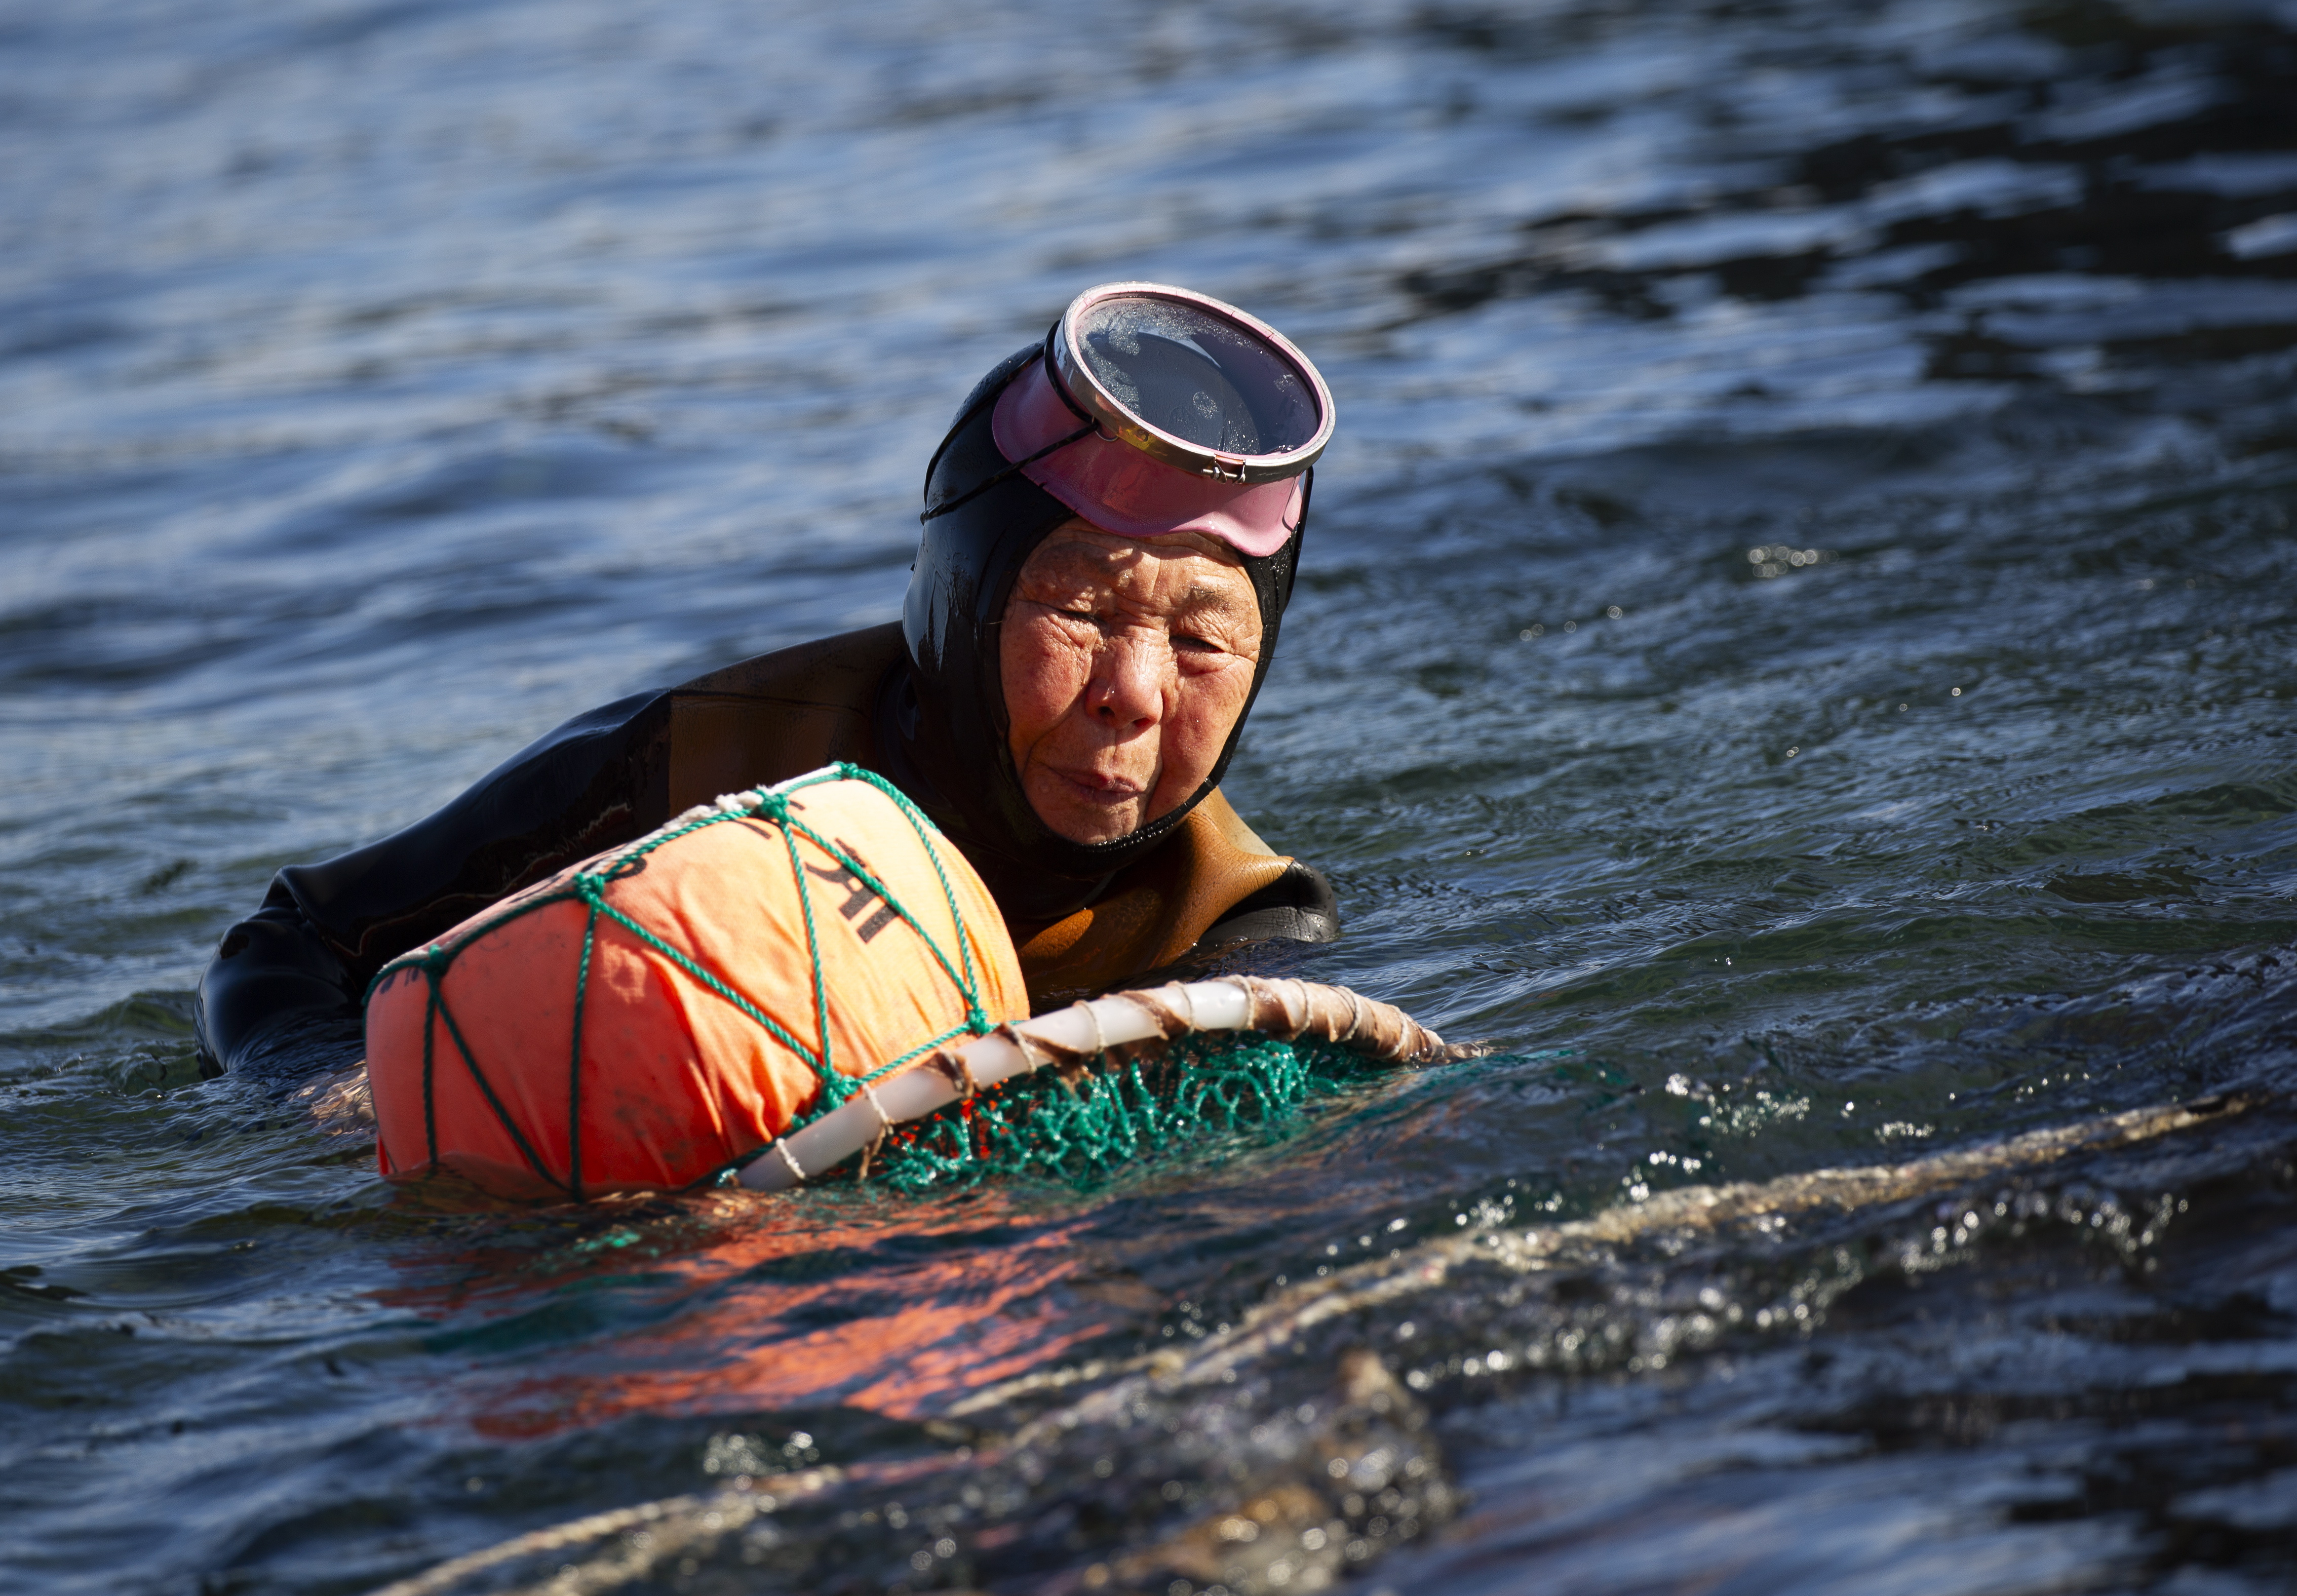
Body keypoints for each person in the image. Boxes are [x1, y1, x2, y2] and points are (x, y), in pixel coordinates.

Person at [196, 282, 1342, 1079]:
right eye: (1082, 611)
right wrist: (332, 1094)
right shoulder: (706, 763)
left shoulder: (1239, 925)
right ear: (960, 597)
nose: (1136, 691)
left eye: (1202, 643)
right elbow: (293, 942)